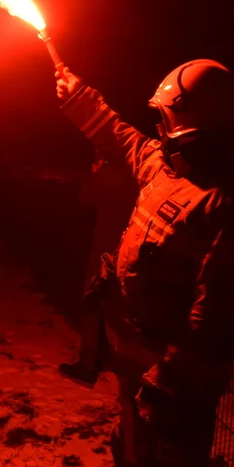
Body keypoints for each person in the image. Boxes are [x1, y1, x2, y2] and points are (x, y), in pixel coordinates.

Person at [54, 60, 234, 467]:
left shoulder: (226, 205)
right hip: (137, 361)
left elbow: (213, 318)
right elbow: (119, 133)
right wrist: (77, 94)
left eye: (167, 118)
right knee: (131, 457)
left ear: (194, 124)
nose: (158, 129)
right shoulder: (166, 168)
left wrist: (169, 384)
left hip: (172, 384)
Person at [60, 151, 138, 387]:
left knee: (91, 304)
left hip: (105, 249)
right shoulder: (140, 172)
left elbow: (85, 199)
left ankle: (87, 366)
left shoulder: (107, 174)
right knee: (119, 308)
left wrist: (95, 173)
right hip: (131, 250)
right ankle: (123, 364)